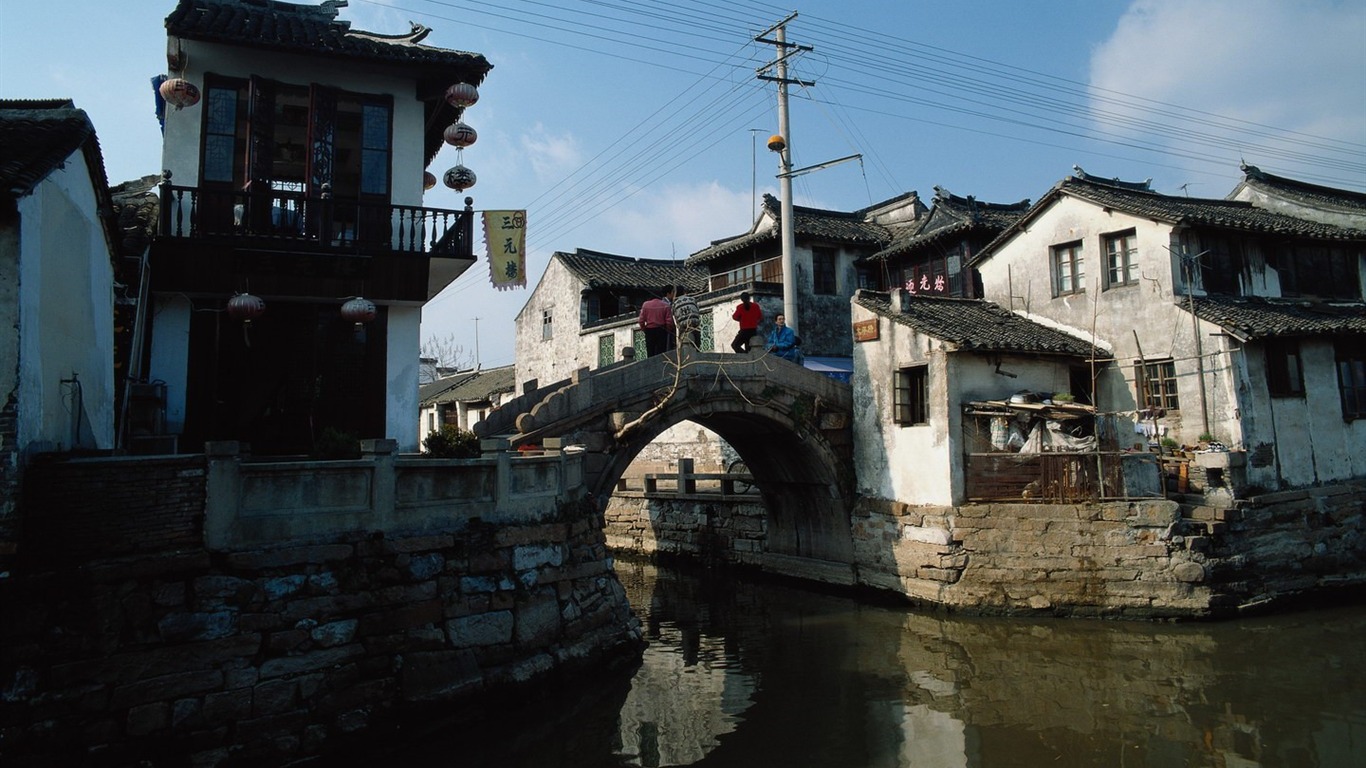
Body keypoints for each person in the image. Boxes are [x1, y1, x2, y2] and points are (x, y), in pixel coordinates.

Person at [638, 285, 675, 357]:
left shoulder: (645, 305)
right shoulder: (666, 305)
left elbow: (641, 320)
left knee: (650, 352)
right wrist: (667, 330)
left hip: (649, 330)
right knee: (661, 353)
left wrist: (644, 329)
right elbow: (669, 322)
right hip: (661, 330)